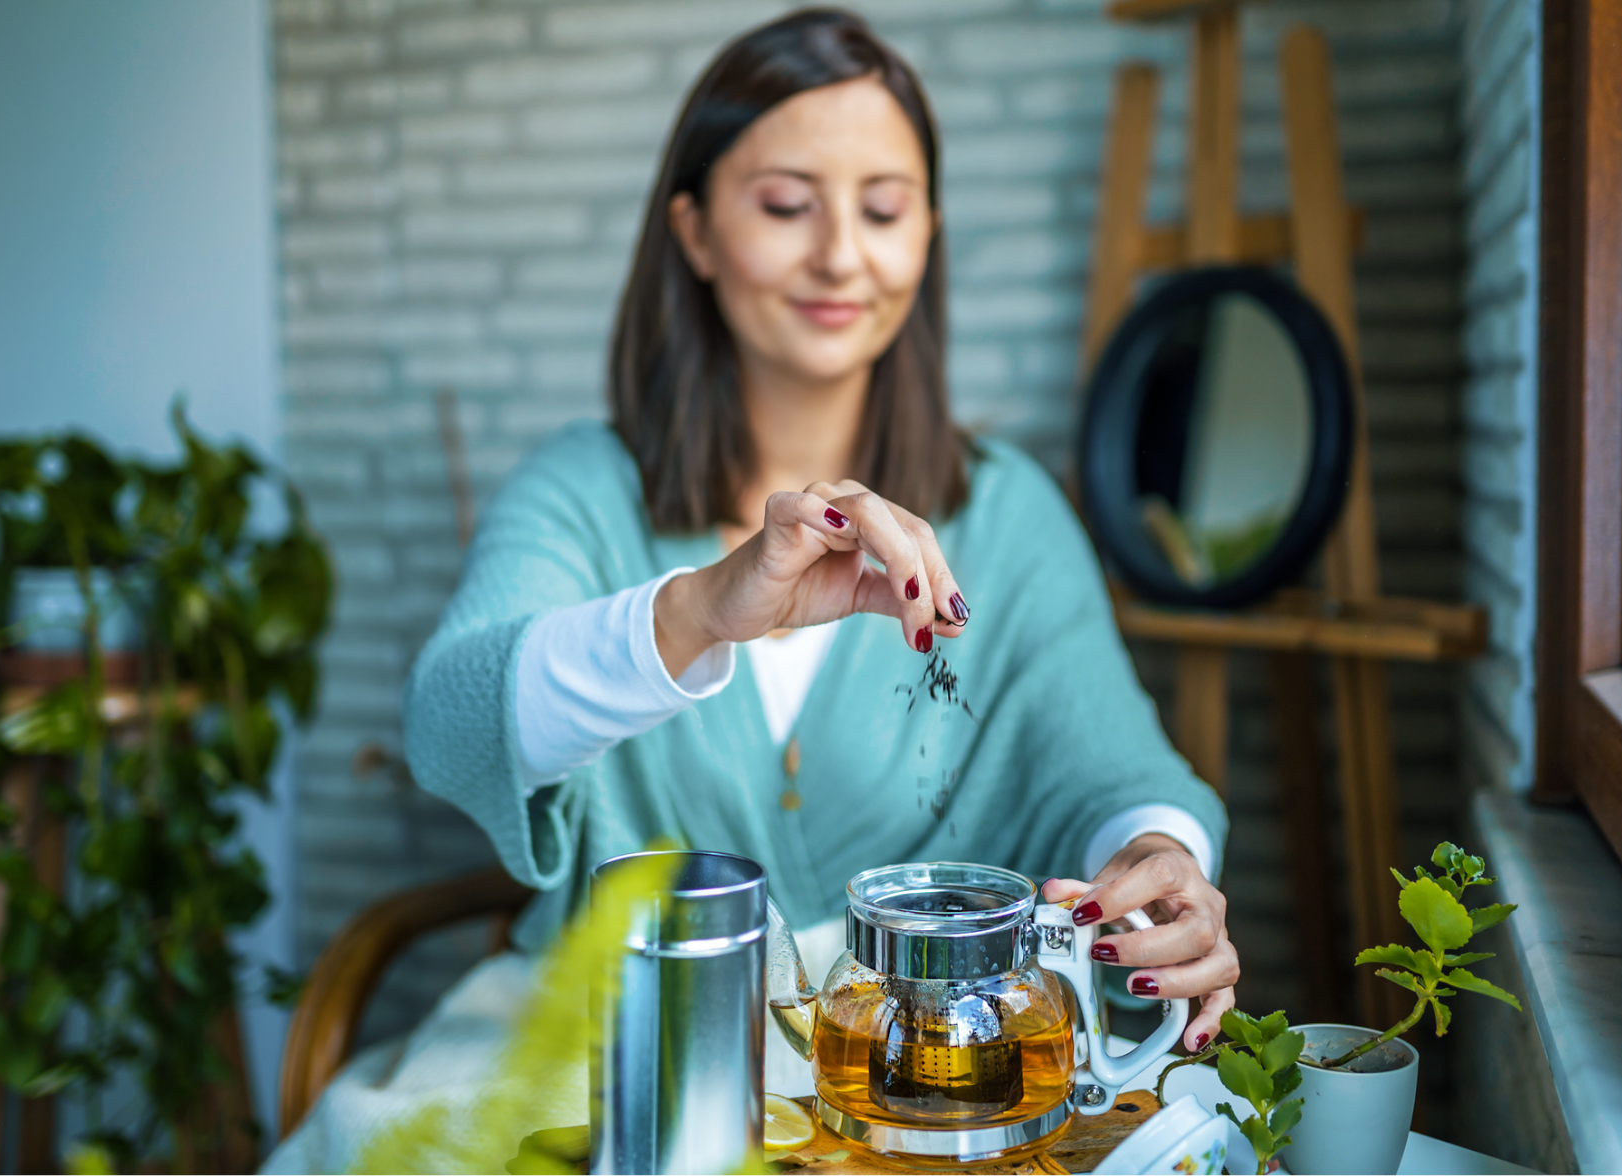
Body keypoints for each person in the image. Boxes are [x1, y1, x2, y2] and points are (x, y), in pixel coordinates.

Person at [268, 9, 1237, 1169]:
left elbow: (1117, 770)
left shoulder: (1010, 513)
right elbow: (451, 721)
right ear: (694, 230)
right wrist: (699, 613)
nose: (841, 255)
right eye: (786, 206)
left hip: (921, 1069)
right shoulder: (585, 488)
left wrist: (1159, 868)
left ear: (928, 234)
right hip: (606, 1042)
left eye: (885, 210)